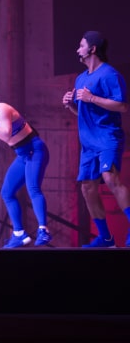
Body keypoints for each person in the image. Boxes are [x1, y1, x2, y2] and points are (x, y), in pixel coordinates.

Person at [62, 31, 129, 248]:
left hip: (108, 137)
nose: (77, 50)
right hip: (88, 145)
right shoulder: (81, 78)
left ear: (91, 49)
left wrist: (91, 97)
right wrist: (71, 106)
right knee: (87, 188)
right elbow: (83, 113)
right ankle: (106, 238)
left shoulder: (110, 75)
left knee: (110, 178)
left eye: (81, 46)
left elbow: (122, 106)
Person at [0, 91, 52, 248]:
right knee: (7, 192)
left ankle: (43, 230)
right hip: (22, 155)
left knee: (33, 188)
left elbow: (6, 135)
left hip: (35, 149)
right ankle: (19, 234)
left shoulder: (2, 110)